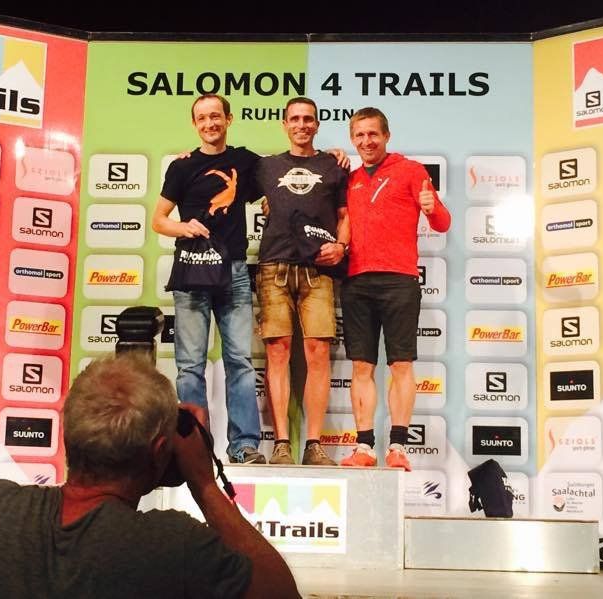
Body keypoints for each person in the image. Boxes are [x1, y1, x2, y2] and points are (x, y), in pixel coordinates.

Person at [0, 351, 299, 599]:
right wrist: (205, 484)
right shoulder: (172, 545)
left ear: (69, 431)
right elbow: (281, 593)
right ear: (160, 451)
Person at [152, 94, 265, 464]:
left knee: (240, 362)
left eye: (216, 116)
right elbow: (158, 220)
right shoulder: (181, 167)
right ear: (194, 124)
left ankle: (244, 446)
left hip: (233, 271)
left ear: (228, 119)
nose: (209, 123)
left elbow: (285, 175)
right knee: (189, 366)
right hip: (193, 270)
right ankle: (195, 449)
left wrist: (335, 157)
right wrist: (184, 226)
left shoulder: (246, 162)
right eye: (202, 118)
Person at [339, 107, 451, 472]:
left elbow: (443, 222)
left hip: (399, 280)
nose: (366, 141)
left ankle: (399, 447)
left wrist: (431, 209)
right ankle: (364, 447)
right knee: (361, 366)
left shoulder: (411, 171)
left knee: (401, 364)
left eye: (373, 134)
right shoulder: (351, 179)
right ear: (352, 139)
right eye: (359, 135)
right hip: (357, 280)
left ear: (386, 135)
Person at [255, 97, 349, 466]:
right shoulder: (265, 166)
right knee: (277, 353)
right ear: (284, 124)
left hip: (319, 270)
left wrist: (341, 246)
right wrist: (190, 157)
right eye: (294, 119)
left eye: (308, 119)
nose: (301, 125)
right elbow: (221, 172)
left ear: (317, 124)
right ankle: (281, 444)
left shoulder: (333, 165)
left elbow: (345, 215)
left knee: (318, 354)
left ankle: (314, 444)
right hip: (273, 267)